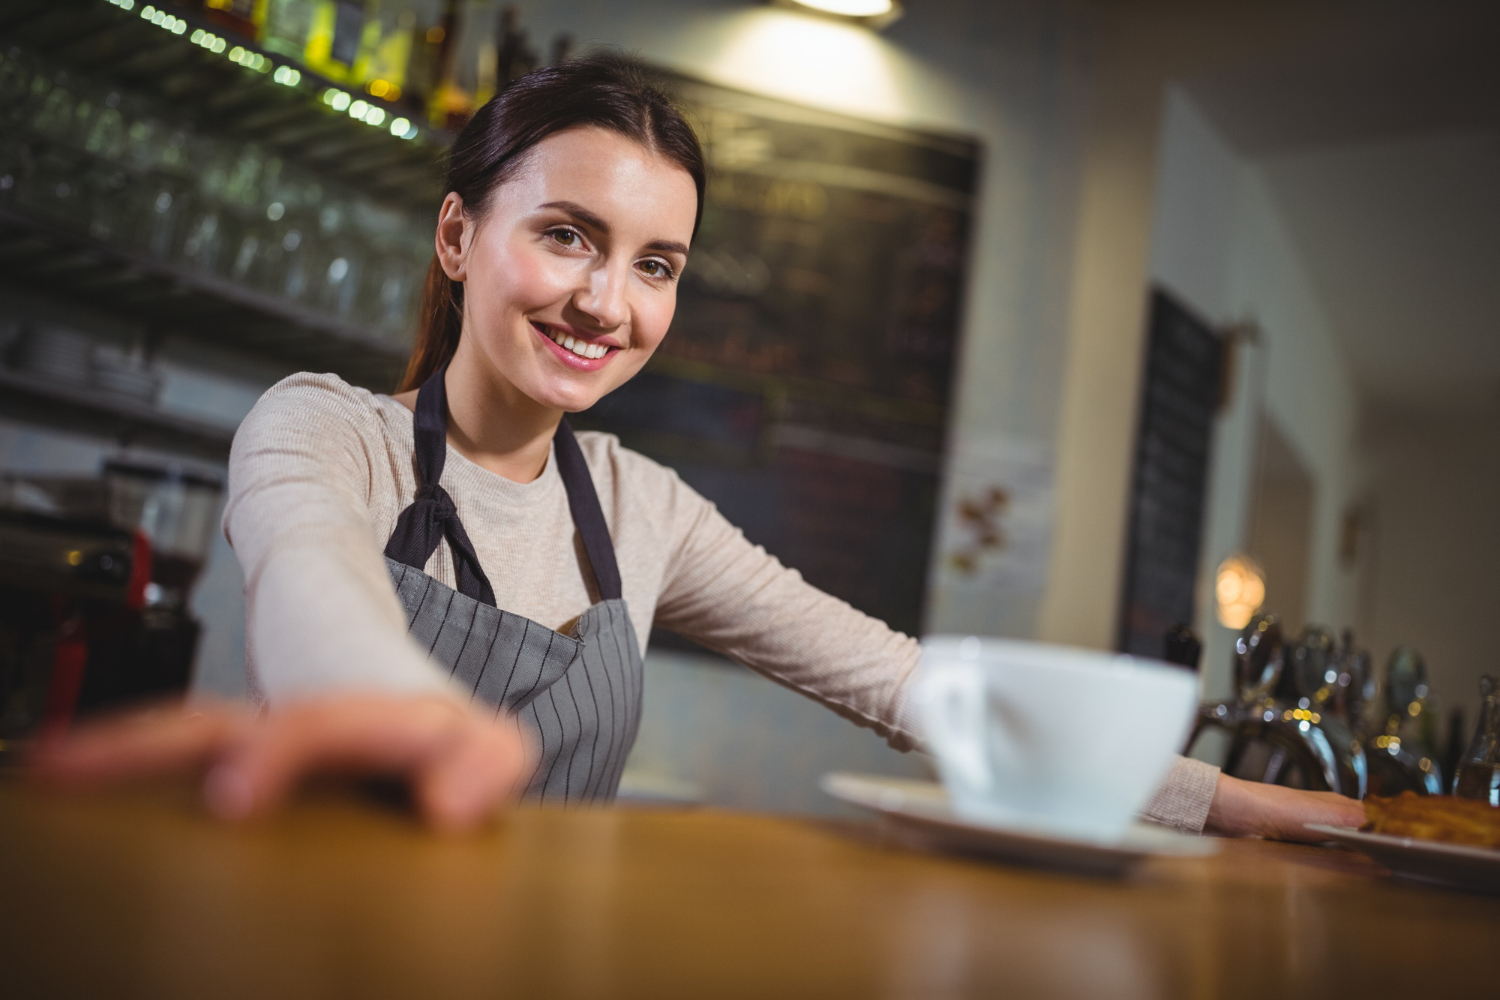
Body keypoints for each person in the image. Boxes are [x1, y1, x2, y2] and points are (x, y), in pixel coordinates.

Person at [32, 56, 1364, 840]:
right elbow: (311, 581)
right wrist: (396, 706)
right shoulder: (327, 431)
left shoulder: (642, 509)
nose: (606, 304)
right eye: (567, 235)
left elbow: (912, 688)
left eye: (654, 263)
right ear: (459, 237)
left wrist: (1240, 806)